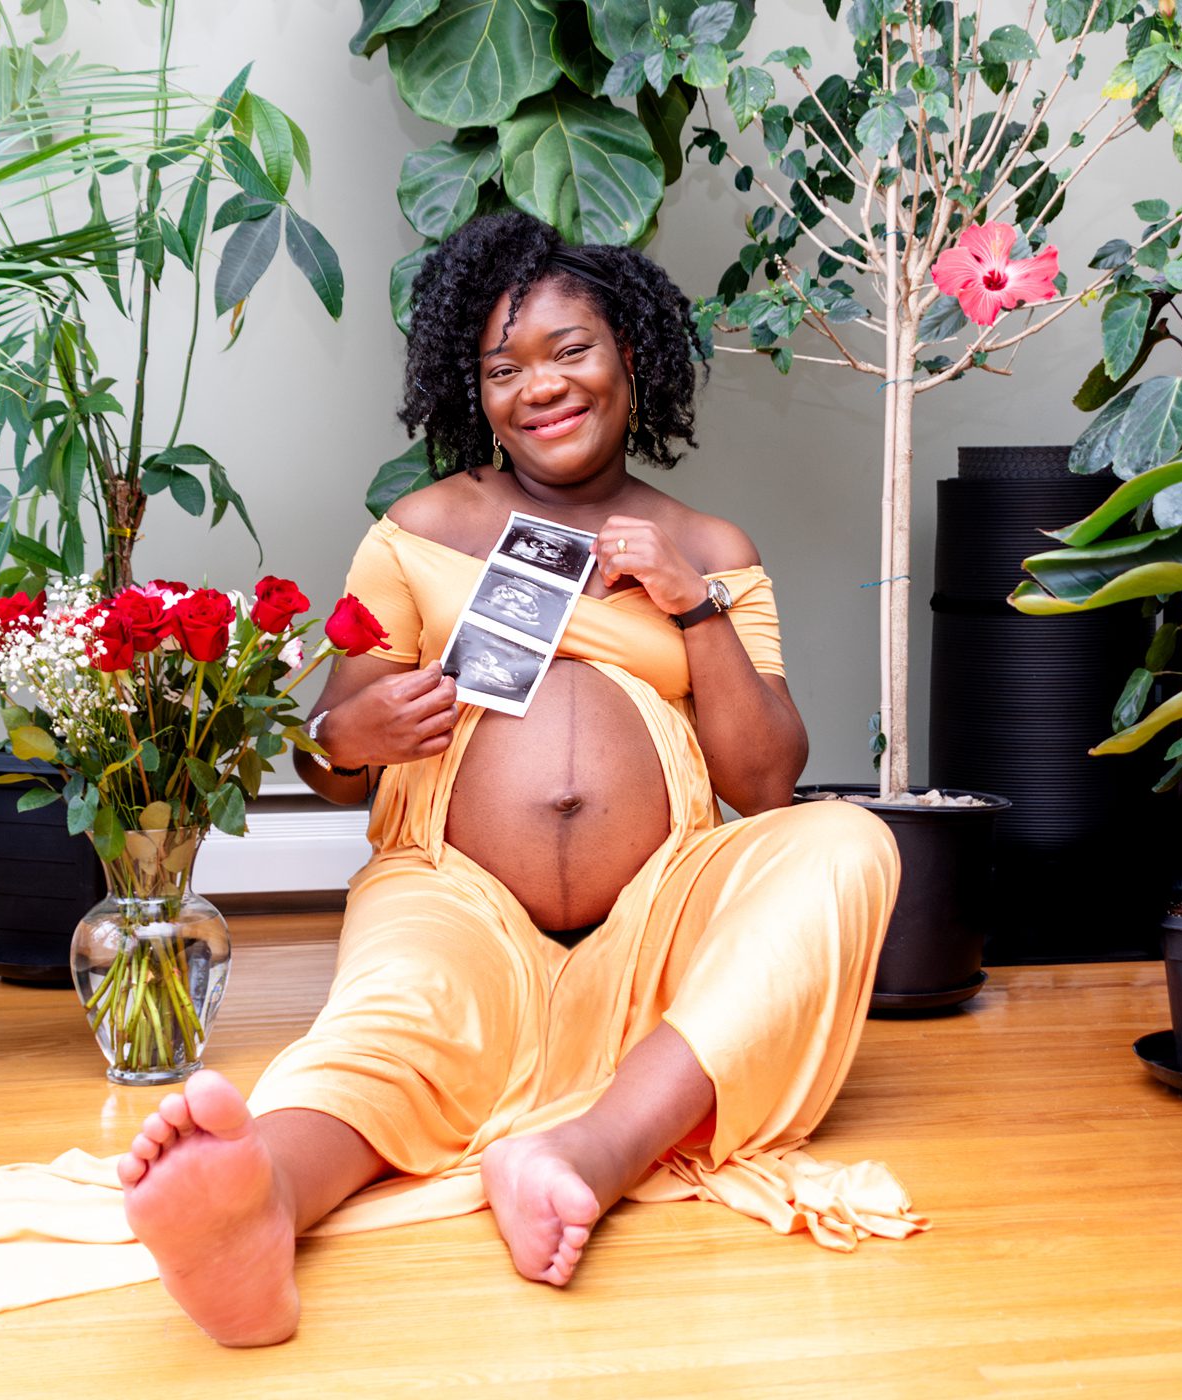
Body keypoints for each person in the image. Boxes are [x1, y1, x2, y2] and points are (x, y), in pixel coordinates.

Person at [115, 213, 915, 1347]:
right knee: (394, 1019)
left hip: (656, 923)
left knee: (848, 843)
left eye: (570, 350)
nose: (541, 385)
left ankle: (580, 1152)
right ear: (473, 391)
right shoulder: (423, 527)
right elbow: (329, 759)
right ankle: (258, 1206)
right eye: (503, 367)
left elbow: (767, 780)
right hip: (454, 895)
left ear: (631, 355)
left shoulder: (708, 544)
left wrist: (693, 604)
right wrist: (355, 730)